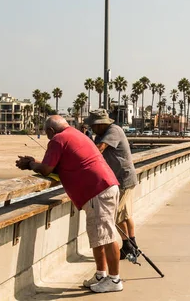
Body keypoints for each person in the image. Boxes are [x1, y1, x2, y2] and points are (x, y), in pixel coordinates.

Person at [15, 116, 123, 293]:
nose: (47, 136)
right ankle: (101, 275)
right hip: (105, 187)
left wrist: (30, 164)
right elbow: (62, 165)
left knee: (107, 236)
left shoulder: (58, 139)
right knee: (98, 235)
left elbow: (46, 169)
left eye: (46, 133)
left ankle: (114, 280)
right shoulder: (76, 134)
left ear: (50, 131)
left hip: (98, 191)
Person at [87, 109, 138, 261]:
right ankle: (133, 245)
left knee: (117, 215)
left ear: (102, 124)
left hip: (124, 179)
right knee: (126, 214)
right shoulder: (100, 134)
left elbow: (99, 150)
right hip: (119, 178)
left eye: (94, 125)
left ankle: (128, 245)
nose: (92, 128)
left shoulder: (113, 130)